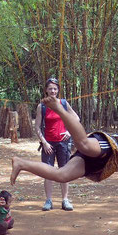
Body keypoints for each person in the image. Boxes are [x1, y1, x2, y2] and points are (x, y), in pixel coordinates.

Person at [11, 96, 118, 203]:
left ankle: (21, 163)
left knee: (61, 176)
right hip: (108, 147)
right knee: (83, 144)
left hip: (104, 162)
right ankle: (59, 108)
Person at [35, 77, 80, 211]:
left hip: (63, 143)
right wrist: (44, 143)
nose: (53, 91)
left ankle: (65, 200)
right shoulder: (42, 106)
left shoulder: (64, 103)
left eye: (55, 88)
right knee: (48, 172)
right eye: (50, 89)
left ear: (58, 90)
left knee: (64, 171)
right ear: (46, 91)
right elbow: (37, 127)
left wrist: (69, 132)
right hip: (48, 143)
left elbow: (76, 118)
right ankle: (48, 200)